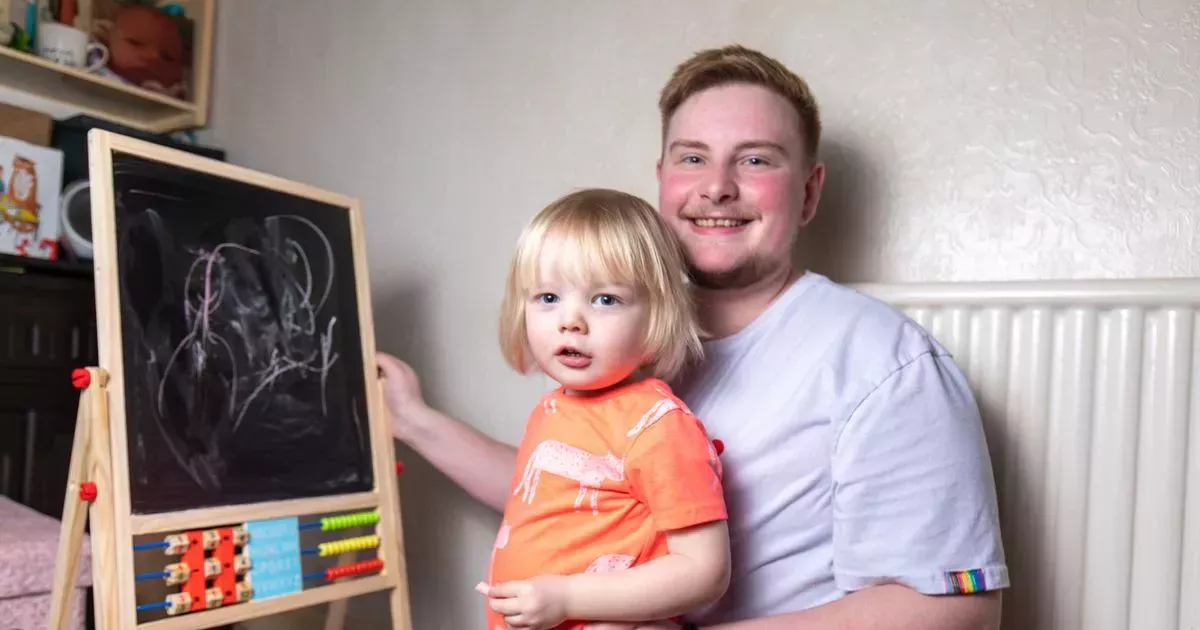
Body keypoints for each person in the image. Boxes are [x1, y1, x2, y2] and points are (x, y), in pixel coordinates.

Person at [377, 44, 1008, 629]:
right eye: (693, 158)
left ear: (809, 192)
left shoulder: (885, 362)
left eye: (755, 160)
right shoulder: (622, 334)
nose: (716, 187)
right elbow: (569, 487)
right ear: (662, 179)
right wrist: (416, 421)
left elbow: (957, 611)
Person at [475, 188, 731, 629]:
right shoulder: (551, 410)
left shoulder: (657, 426)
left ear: (656, 319)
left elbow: (704, 569)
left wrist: (567, 598)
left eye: (605, 299)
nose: (570, 321)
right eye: (548, 298)